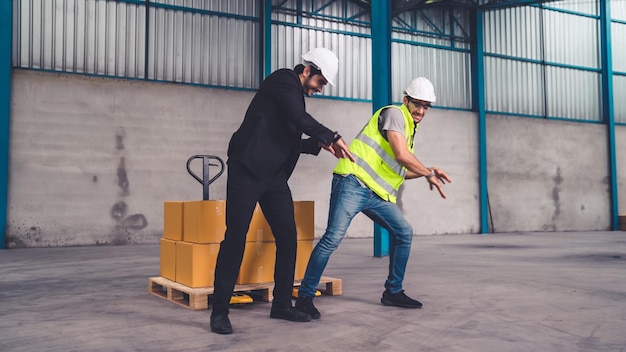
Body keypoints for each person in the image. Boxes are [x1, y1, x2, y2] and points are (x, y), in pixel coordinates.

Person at [210, 48, 355, 335]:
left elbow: (286, 139)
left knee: (288, 237)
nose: (320, 88)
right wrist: (332, 135)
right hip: (247, 170)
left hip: (273, 177)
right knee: (236, 237)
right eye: (320, 82)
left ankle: (281, 305)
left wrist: (317, 145)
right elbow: (299, 119)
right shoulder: (282, 81)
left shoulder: (294, 97)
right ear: (307, 71)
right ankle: (220, 312)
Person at [295, 77, 451, 319]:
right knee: (332, 238)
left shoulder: (409, 128)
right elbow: (401, 156)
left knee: (403, 232)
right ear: (405, 100)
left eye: (426, 106)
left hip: (376, 195)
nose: (421, 111)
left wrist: (425, 171)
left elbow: (400, 169)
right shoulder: (394, 114)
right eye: (417, 104)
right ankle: (304, 297)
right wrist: (428, 172)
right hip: (352, 182)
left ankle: (393, 292)